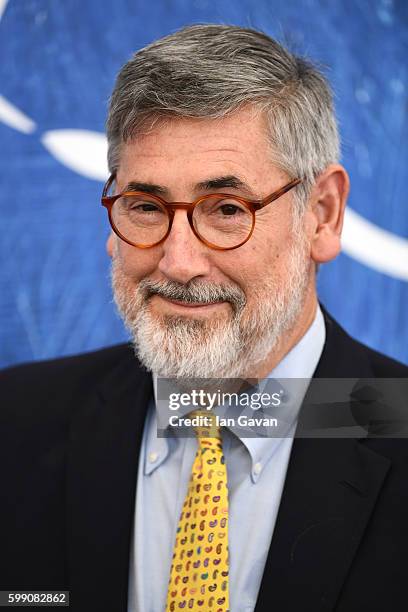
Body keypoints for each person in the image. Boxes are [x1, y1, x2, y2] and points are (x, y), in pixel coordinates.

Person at [0, 24, 407, 612]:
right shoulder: (15, 423)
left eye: (225, 210)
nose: (179, 262)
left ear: (322, 215)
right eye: (145, 206)